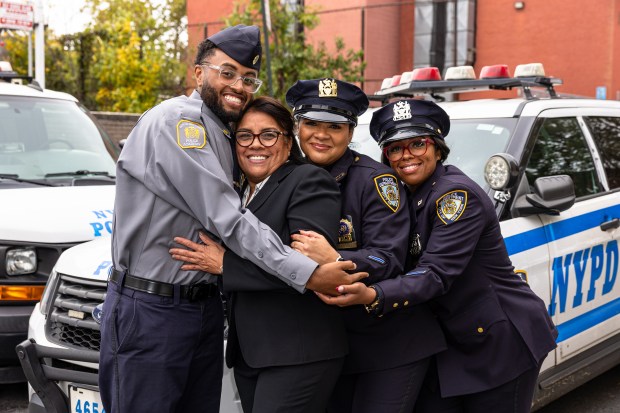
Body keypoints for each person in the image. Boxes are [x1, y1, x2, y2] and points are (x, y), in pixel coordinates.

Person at [100, 25, 365, 413]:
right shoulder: (179, 123)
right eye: (227, 73)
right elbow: (228, 217)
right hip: (153, 309)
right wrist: (309, 273)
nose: (239, 86)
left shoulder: (224, 131)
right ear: (198, 74)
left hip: (202, 311)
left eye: (248, 79)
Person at [318, 99, 558, 413]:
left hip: (496, 339)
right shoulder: (404, 193)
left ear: (437, 147)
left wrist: (373, 295)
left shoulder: (455, 196)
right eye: (395, 149)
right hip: (449, 341)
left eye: (417, 144)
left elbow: (435, 273)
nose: (406, 156)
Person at [169, 96, 348, 413]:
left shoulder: (308, 181)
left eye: (268, 135)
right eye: (245, 135)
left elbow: (307, 267)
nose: (256, 145)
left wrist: (226, 265)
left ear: (287, 140)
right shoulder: (236, 191)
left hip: (299, 352)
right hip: (252, 353)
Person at [285, 79, 446, 413]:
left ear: (350, 131)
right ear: (297, 126)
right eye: (312, 123)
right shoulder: (285, 176)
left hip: (388, 343)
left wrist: (335, 259)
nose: (321, 134)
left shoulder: (376, 181)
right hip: (326, 347)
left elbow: (388, 257)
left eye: (335, 126)